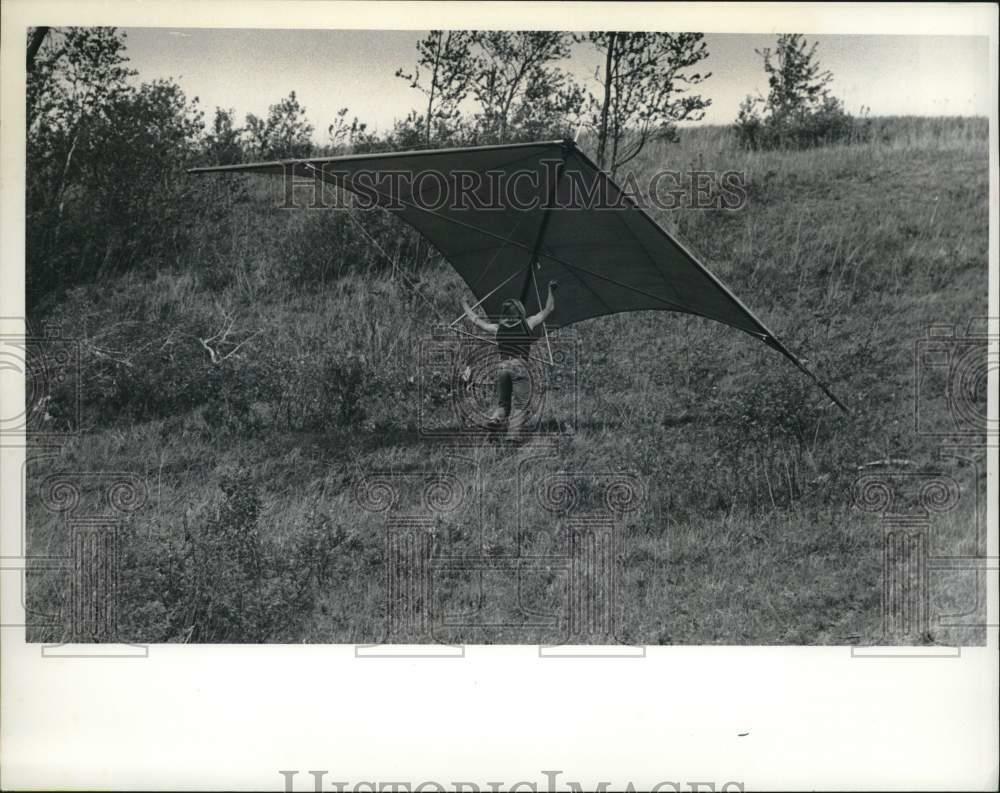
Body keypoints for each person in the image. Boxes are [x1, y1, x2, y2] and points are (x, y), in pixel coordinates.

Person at [461, 280, 558, 429]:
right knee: (521, 405)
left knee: (503, 403)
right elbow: (549, 309)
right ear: (520, 311)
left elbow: (476, 320)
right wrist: (550, 290)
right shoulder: (529, 323)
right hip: (520, 365)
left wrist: (465, 304)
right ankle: (512, 438)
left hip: (502, 366)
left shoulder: (497, 328)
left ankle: (495, 419)